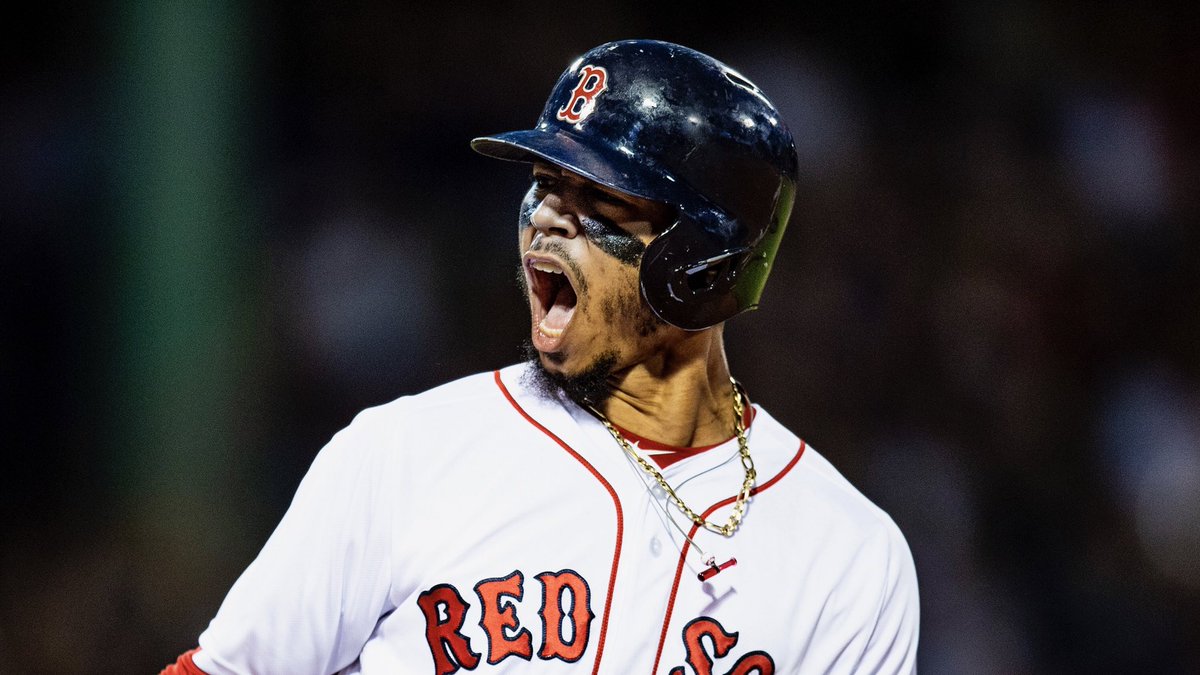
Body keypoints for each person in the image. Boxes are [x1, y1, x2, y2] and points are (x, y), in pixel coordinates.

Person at [162, 39, 919, 674]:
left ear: (703, 263)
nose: (549, 217)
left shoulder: (848, 557)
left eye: (601, 201)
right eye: (544, 183)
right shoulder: (400, 458)